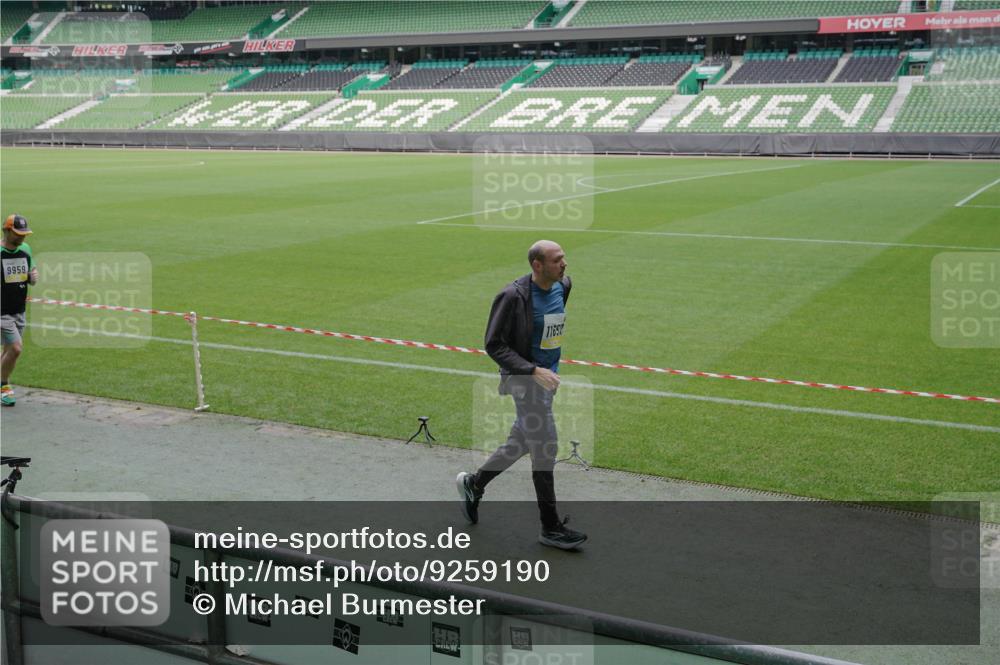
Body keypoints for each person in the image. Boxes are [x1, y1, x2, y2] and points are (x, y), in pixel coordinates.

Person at [457, 240, 587, 550]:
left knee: (520, 442)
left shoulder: (563, 285)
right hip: (525, 382)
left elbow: (549, 326)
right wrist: (532, 371)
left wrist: (547, 370)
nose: (564, 264)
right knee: (545, 448)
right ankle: (550, 527)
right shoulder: (512, 296)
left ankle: (474, 484)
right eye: (557, 260)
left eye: (564, 258)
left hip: (547, 382)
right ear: (537, 265)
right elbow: (494, 344)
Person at [2, 214, 38, 407]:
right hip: (1, 311)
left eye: (24, 234)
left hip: (19, 308)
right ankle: (4, 387)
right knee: (16, 348)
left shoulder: (25, 249)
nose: (22, 238)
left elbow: (30, 274)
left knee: (8, 350)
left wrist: (33, 276)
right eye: (17, 234)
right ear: (6, 231)